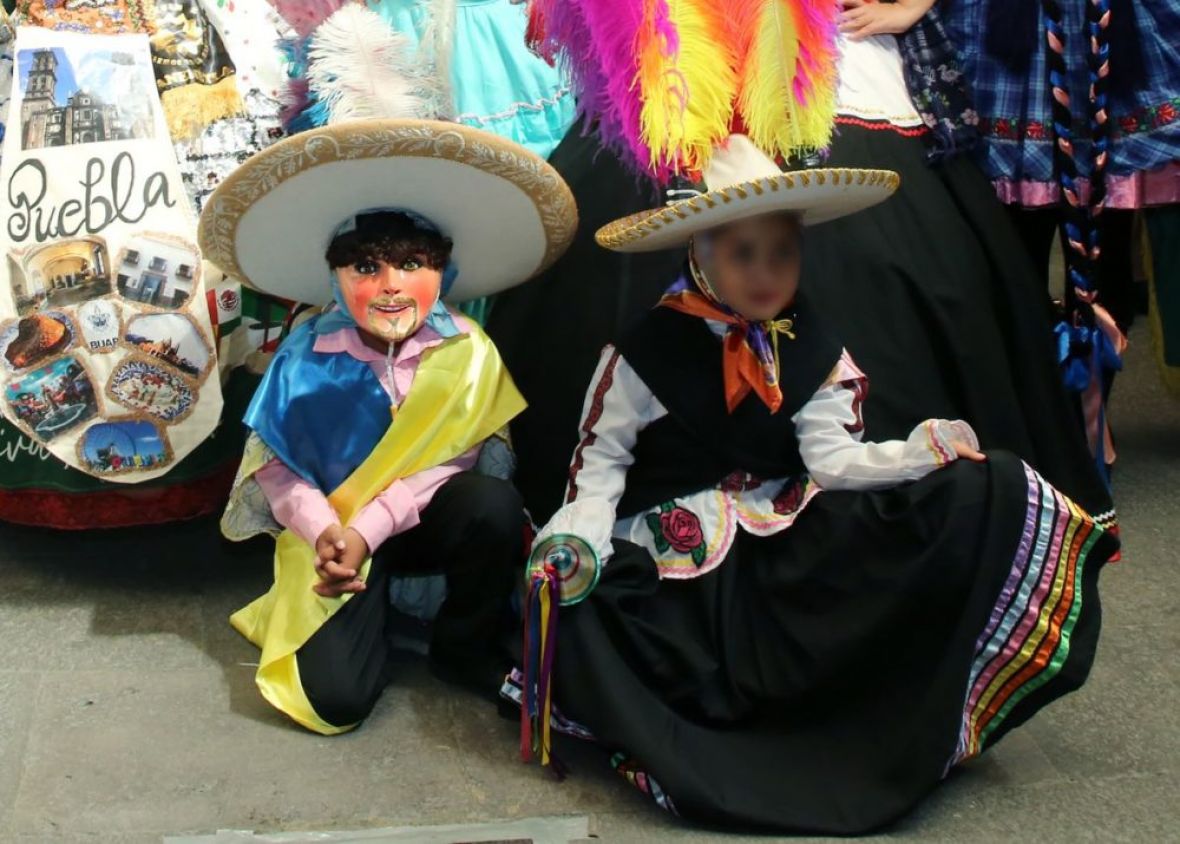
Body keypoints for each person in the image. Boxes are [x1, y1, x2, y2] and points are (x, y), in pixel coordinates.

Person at [508, 135, 1117, 834]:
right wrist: (581, 533)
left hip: (777, 529)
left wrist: (923, 453)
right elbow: (601, 463)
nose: (767, 273)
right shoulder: (642, 352)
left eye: (783, 252)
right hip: (678, 555)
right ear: (699, 254)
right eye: (744, 254)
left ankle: (867, 718)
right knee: (577, 594)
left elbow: (835, 462)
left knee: (983, 489)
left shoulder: (813, 346)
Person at [203, 117, 576, 735]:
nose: (391, 285)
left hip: (420, 523)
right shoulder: (304, 357)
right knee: (334, 700)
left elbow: (458, 461)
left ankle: (464, 646)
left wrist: (372, 529)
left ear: (443, 272)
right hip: (331, 538)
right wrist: (326, 533)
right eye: (366, 267)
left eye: (411, 263)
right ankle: (368, 619)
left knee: (491, 503)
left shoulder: (468, 352)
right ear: (335, 277)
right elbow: (277, 467)